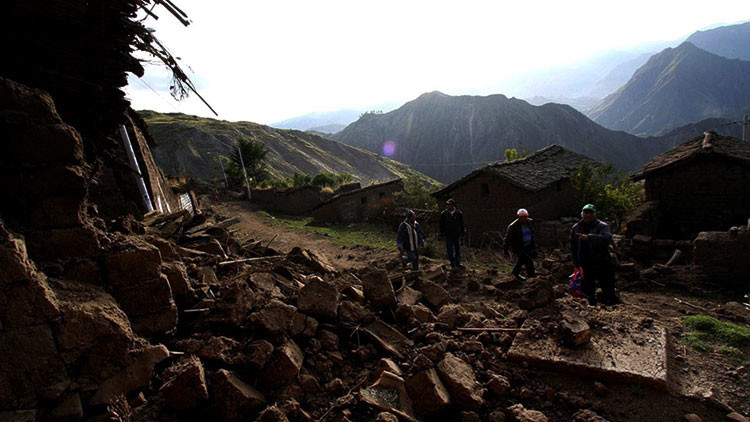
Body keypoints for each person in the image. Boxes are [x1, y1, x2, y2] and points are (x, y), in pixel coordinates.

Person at [570, 204, 619, 306]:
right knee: (588, 286)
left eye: (590, 213)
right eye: (585, 213)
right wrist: (575, 262)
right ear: (582, 214)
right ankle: (592, 305)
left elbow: (607, 239)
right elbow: (573, 246)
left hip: (601, 261)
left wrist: (590, 238)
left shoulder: (602, 226)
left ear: (595, 214)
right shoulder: (576, 227)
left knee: (607, 284)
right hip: (585, 262)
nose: (588, 215)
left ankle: (611, 304)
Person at [504, 208, 536, 281]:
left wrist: (533, 246)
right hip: (518, 247)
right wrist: (506, 251)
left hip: (528, 246)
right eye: (521, 217)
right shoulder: (512, 226)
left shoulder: (530, 222)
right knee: (529, 261)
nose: (523, 219)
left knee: (522, 261)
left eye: (525, 217)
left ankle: (516, 273)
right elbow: (506, 239)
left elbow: (532, 234)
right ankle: (531, 277)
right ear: (518, 217)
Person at [439, 199, 465, 268]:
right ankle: (452, 262)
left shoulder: (459, 213)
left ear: (453, 205)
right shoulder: (444, 214)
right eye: (447, 205)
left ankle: (458, 262)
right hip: (448, 234)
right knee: (450, 249)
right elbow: (441, 224)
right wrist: (442, 233)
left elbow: (461, 223)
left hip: (457, 234)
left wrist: (463, 231)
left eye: (449, 205)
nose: (448, 206)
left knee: (457, 249)